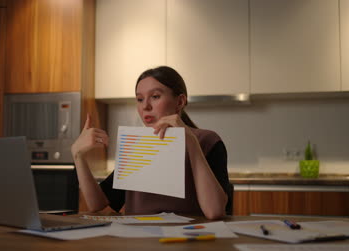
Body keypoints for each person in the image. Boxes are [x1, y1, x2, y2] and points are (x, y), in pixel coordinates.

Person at [71, 66, 232, 220]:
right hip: (139, 242)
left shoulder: (208, 141)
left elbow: (214, 211)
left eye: (155, 97)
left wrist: (190, 141)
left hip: (188, 241)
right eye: (140, 99)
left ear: (180, 101)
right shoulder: (136, 145)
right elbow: (96, 203)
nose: (145, 106)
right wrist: (78, 155)